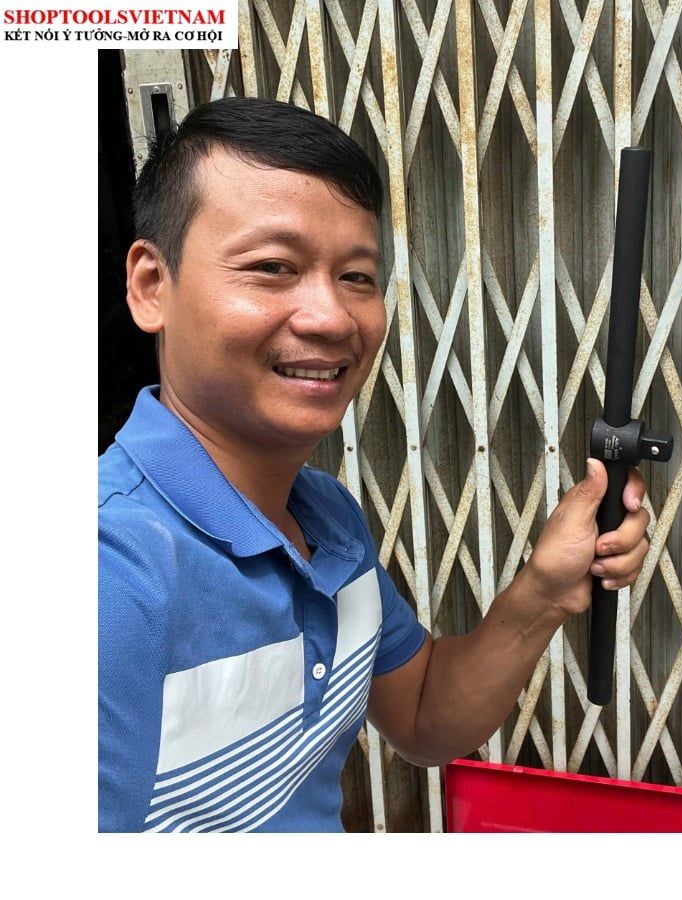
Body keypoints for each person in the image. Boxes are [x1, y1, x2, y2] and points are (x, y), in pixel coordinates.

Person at [98, 97, 651, 833]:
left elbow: (422, 716)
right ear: (151, 285)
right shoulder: (110, 574)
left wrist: (546, 590)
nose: (331, 317)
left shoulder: (326, 518)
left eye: (357, 276)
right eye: (273, 267)